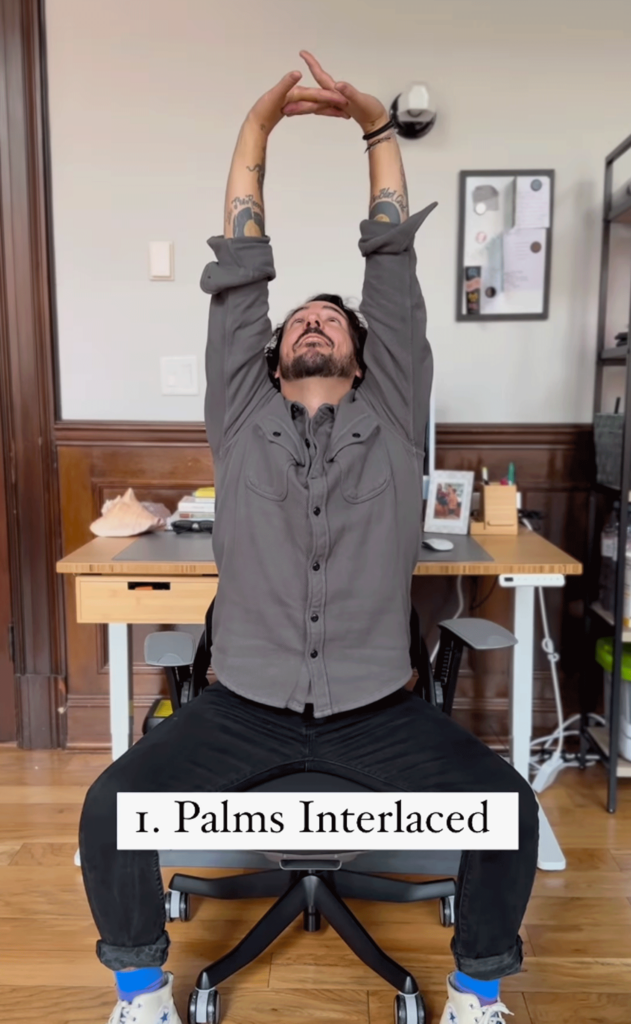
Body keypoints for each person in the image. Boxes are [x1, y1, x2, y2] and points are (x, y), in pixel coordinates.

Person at [80, 52, 538, 1024]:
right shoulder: (240, 412)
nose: (315, 321)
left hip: (379, 707)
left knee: (513, 811)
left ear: (368, 357)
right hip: (241, 703)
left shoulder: (393, 408)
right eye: (300, 319)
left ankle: (477, 993)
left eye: (334, 317)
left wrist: (377, 131)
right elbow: (242, 272)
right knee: (107, 807)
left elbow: (392, 268)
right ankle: (139, 992)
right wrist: (258, 130)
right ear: (275, 353)